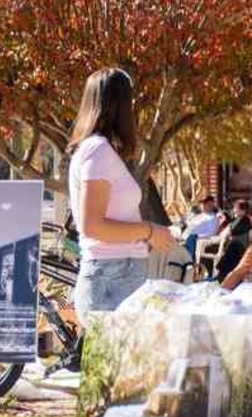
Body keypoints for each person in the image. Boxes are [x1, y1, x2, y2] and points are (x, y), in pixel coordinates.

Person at [68, 68, 174, 319]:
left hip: (113, 275)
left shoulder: (96, 150)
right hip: (112, 277)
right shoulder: (98, 151)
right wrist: (149, 231)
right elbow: (93, 226)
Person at [214, 199, 252, 282]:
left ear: (243, 211)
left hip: (240, 247)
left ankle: (223, 276)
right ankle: (221, 275)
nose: (234, 210)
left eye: (236, 208)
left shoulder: (245, 220)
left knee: (229, 253)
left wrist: (229, 230)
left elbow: (233, 231)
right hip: (235, 245)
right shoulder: (238, 219)